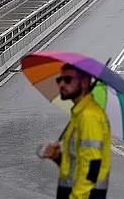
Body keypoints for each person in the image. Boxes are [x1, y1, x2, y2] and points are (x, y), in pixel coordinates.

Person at [42, 64, 111, 199]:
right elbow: (77, 166)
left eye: (67, 80)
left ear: (84, 82)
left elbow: (92, 168)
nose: (61, 84)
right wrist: (59, 158)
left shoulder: (89, 117)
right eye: (59, 80)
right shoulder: (79, 114)